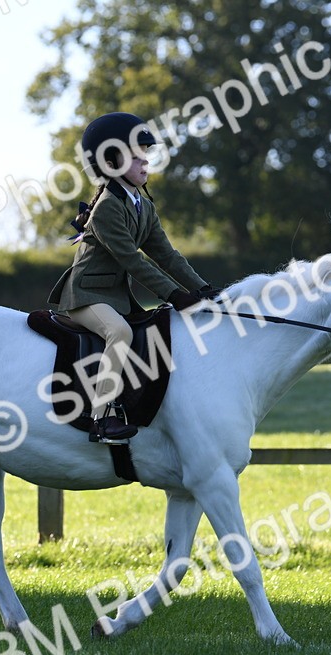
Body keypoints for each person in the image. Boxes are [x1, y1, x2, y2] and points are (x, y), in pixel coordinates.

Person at [48, 112, 219, 444]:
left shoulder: (144, 205)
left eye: (147, 156)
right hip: (86, 296)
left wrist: (201, 288)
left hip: (115, 296)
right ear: (110, 162)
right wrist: (175, 295)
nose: (145, 163)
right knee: (120, 331)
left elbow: (167, 255)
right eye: (136, 157)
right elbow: (133, 261)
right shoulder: (108, 208)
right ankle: (102, 418)